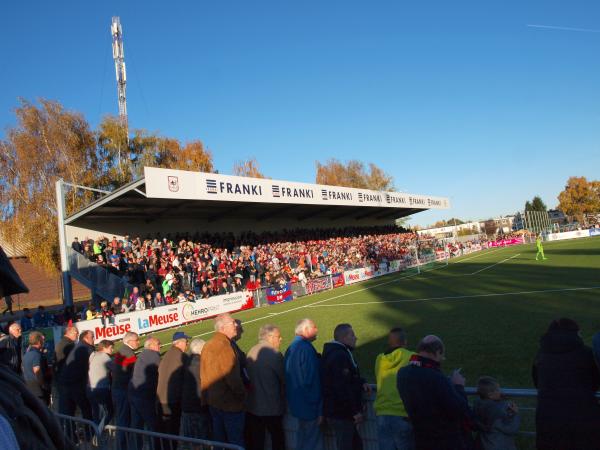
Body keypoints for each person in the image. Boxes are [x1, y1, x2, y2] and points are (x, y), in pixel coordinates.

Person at [532, 318, 600, 449]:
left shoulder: (540, 355)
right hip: (583, 417)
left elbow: (537, 382)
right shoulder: (586, 353)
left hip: (548, 418)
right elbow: (595, 382)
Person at [397, 335, 470, 450]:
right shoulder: (436, 377)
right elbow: (459, 409)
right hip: (445, 442)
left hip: (421, 440)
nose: (442, 359)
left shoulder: (402, 373)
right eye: (441, 355)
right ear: (437, 352)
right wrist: (458, 386)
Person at [200, 313, 246, 448]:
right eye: (233, 323)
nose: (236, 325)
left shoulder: (208, 345)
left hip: (214, 403)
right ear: (223, 328)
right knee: (236, 441)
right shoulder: (225, 347)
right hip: (230, 404)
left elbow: (203, 374)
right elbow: (233, 378)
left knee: (219, 441)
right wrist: (242, 395)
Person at [322, 323, 367, 450]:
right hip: (342, 414)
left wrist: (361, 382)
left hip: (339, 412)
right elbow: (342, 387)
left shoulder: (337, 353)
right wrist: (354, 411)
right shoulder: (340, 356)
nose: (355, 338)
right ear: (343, 338)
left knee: (355, 444)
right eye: (352, 335)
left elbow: (348, 379)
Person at [284, 318, 323, 450]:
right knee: (312, 442)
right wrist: (319, 409)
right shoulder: (306, 349)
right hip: (309, 406)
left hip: (297, 405)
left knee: (302, 439)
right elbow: (313, 381)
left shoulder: (291, 348)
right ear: (305, 330)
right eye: (314, 327)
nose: (316, 330)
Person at [374, 327, 415, 450]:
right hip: (402, 414)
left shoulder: (380, 359)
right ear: (405, 342)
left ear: (389, 342)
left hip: (382, 414)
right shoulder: (412, 357)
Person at [245, 324, 285, 450]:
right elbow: (284, 378)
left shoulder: (251, 351)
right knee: (277, 440)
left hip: (253, 407)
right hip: (271, 407)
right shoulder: (274, 354)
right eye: (278, 337)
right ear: (270, 337)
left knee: (258, 441)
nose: (281, 339)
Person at [472, 376, 519, 450]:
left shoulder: (478, 405)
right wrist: (515, 414)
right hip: (499, 445)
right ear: (490, 395)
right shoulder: (498, 412)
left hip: (484, 444)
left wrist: (500, 399)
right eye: (497, 390)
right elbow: (511, 429)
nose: (500, 391)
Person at [157, 332, 190, 437]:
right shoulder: (181, 356)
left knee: (165, 432)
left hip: (161, 399)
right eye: (186, 342)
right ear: (179, 342)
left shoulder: (167, 354)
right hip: (172, 400)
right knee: (172, 431)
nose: (187, 344)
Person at [58, 330, 94, 421]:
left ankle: (71, 433)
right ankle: (90, 432)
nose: (94, 339)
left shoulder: (78, 346)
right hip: (76, 384)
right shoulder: (86, 348)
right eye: (92, 337)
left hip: (67, 382)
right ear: (85, 338)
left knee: (68, 412)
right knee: (86, 409)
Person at [111, 331, 139, 449]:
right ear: (130, 341)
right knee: (124, 420)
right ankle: (122, 445)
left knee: (122, 419)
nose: (138, 342)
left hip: (117, 389)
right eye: (137, 340)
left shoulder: (121, 350)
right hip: (123, 390)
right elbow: (136, 374)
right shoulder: (129, 354)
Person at [129, 336, 161, 433]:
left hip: (134, 392)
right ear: (151, 346)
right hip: (143, 395)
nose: (160, 346)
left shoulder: (143, 354)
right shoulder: (153, 355)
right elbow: (161, 372)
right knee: (153, 425)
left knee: (137, 425)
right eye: (158, 344)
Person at [180, 338, 211, 440]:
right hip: (196, 406)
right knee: (201, 436)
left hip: (188, 404)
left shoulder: (189, 359)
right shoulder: (198, 363)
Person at [88, 339, 115, 430]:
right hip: (101, 389)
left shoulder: (93, 354)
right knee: (109, 412)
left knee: (96, 412)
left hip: (90, 387)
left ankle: (96, 432)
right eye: (111, 348)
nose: (112, 350)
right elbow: (116, 370)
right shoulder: (105, 357)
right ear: (104, 348)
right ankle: (99, 431)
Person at [22, 331, 50, 405]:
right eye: (42, 340)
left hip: (29, 386)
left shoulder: (26, 354)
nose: (44, 342)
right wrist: (43, 385)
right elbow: (37, 371)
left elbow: (24, 369)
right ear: (39, 342)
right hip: (38, 389)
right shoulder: (36, 355)